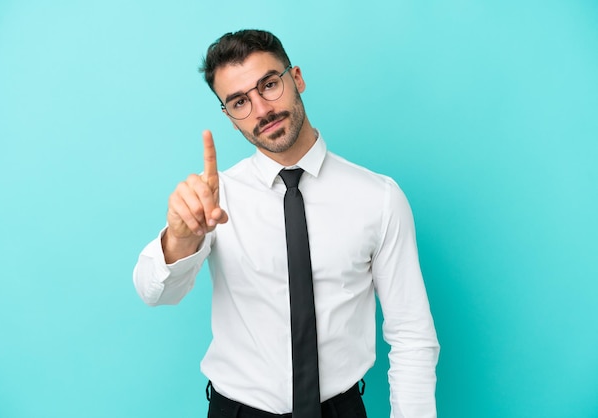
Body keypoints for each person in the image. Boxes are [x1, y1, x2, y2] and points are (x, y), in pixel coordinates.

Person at [133, 29, 440, 418]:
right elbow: (155, 292)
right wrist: (179, 239)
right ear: (229, 118)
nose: (261, 110)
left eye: (269, 85)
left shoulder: (378, 198)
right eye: (240, 102)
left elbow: (412, 335)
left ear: (297, 79)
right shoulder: (214, 200)